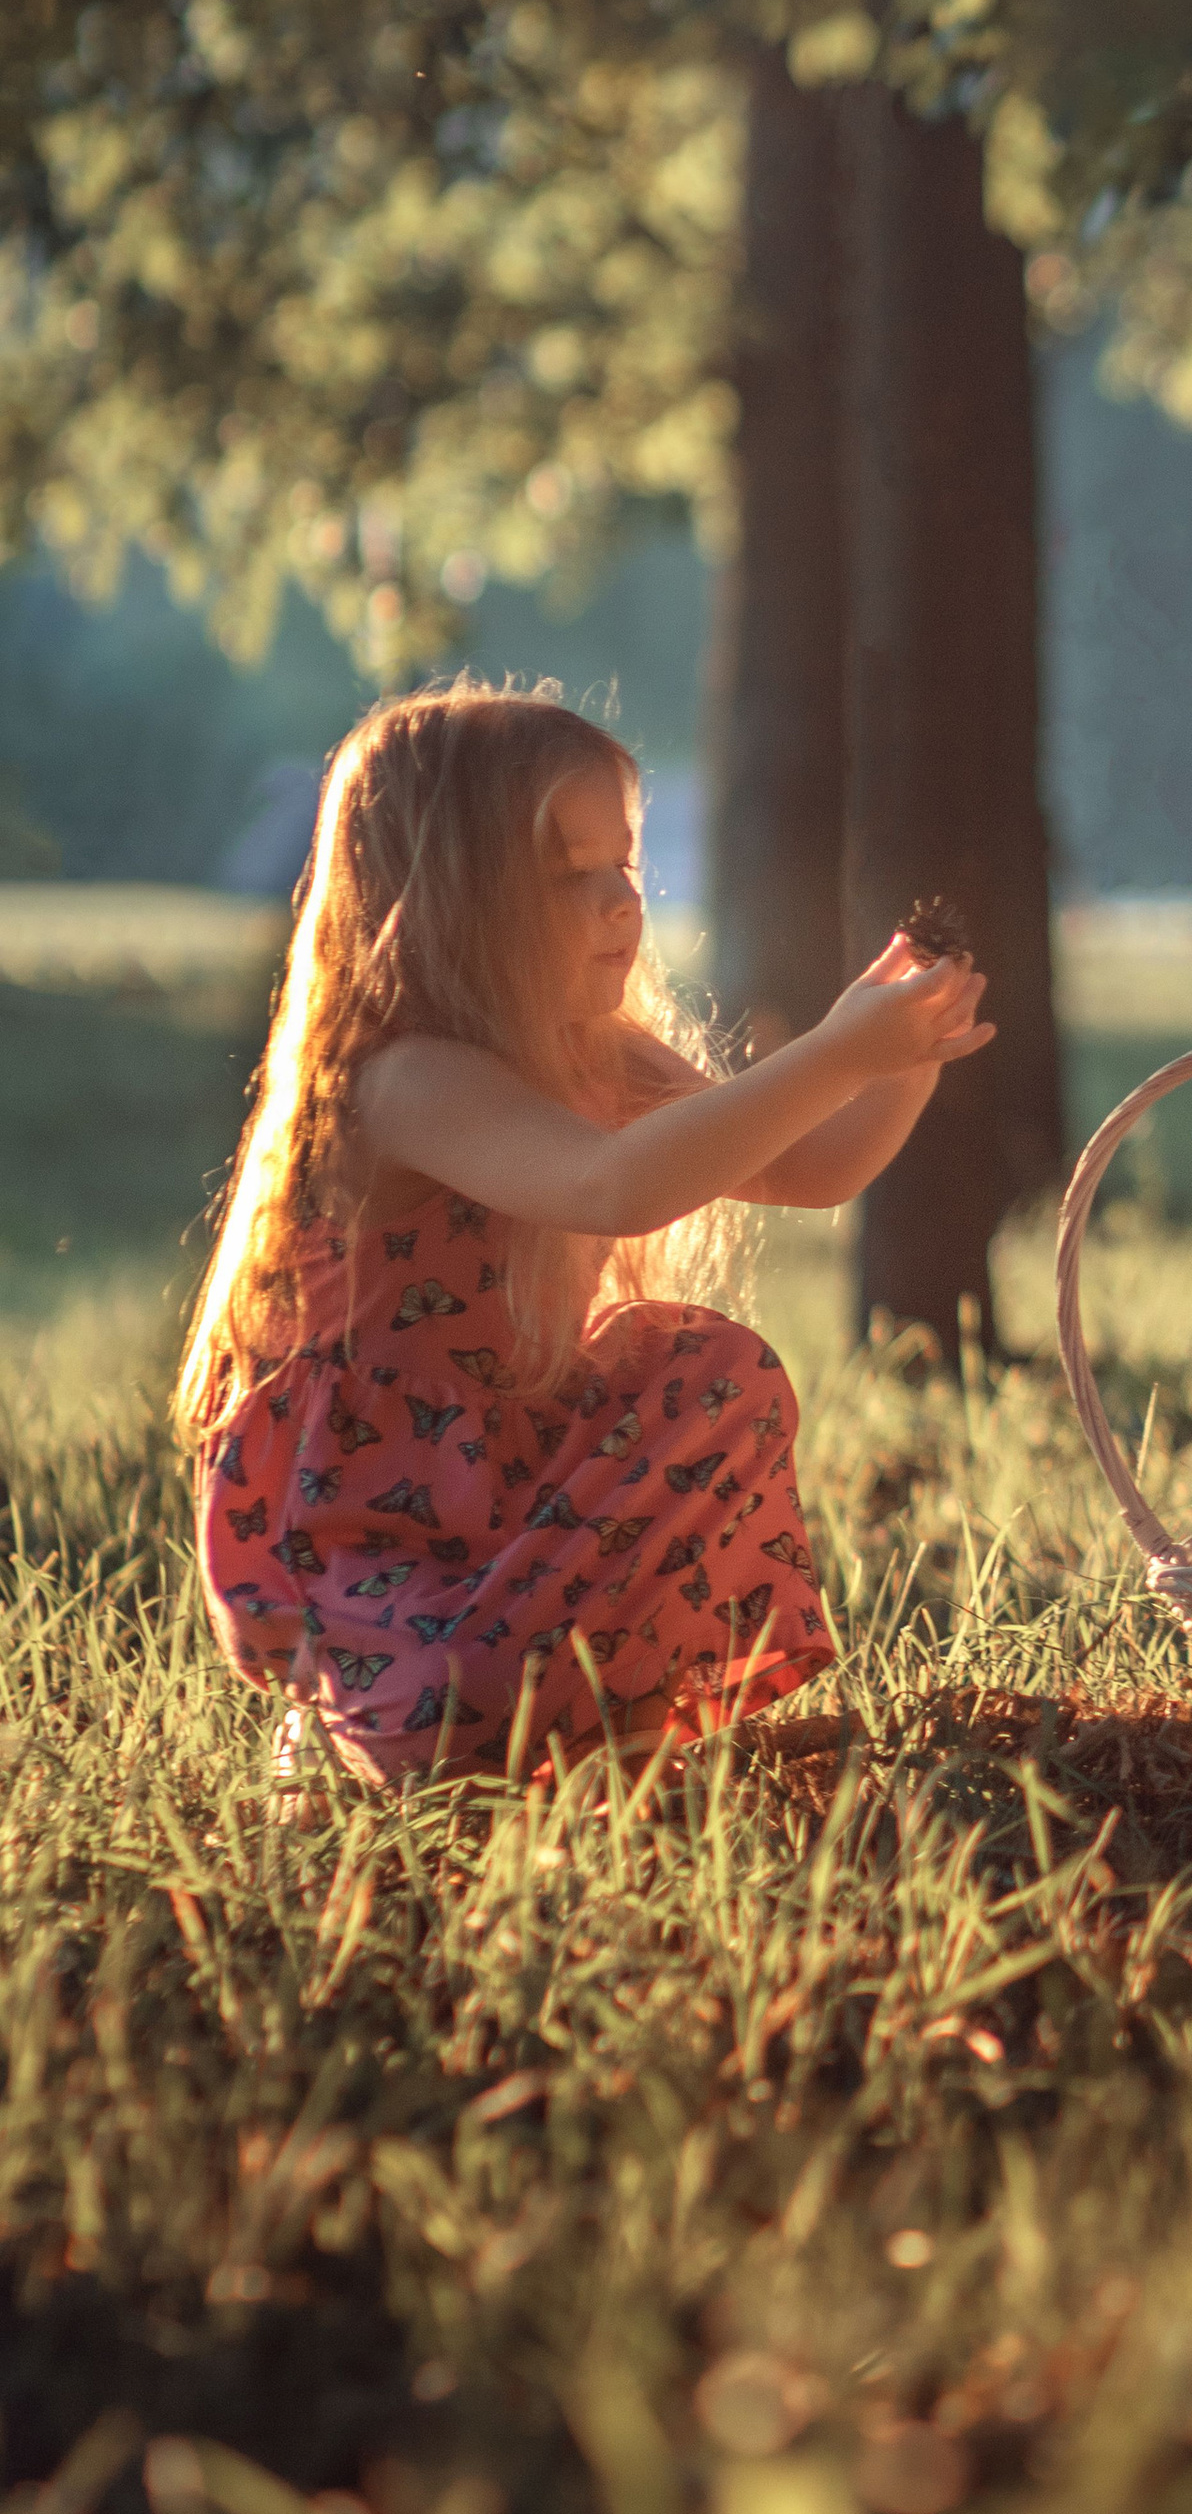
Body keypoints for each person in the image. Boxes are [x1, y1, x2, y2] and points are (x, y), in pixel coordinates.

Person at [179, 682, 992, 1785]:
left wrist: (905, 1058)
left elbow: (812, 1169)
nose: (621, 902)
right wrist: (839, 1053)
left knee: (713, 1370)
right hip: (376, 1524)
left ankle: (611, 1720)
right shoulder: (407, 1079)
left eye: (626, 864)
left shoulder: (593, 1052)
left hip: (520, 1471)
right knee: (461, 1708)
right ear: (451, 897)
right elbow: (615, 1188)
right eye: (572, 875)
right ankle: (366, 1719)